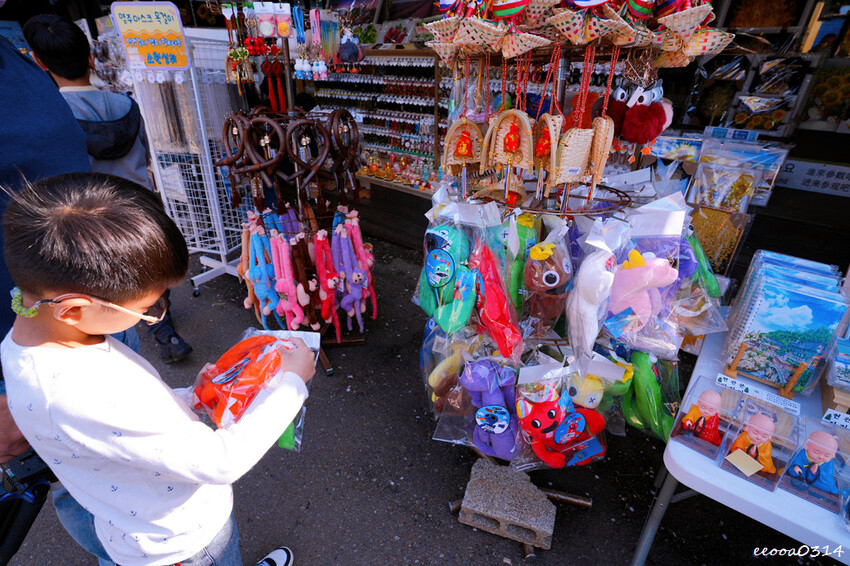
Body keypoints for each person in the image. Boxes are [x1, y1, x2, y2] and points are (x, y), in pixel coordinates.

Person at [1, 172, 314, 566]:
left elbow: (115, 431)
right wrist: (290, 383)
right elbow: (221, 460)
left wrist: (187, 399)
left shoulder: (28, 343)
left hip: (128, 528)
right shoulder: (84, 393)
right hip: (183, 544)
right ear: (74, 309)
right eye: (145, 310)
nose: (150, 315)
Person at [22, 14, 192, 364]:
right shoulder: (127, 105)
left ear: (40, 63)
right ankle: (164, 325)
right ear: (90, 57)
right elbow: (144, 153)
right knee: (149, 275)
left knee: (109, 292)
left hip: (96, 222)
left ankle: (134, 350)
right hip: (142, 209)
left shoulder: (55, 117)